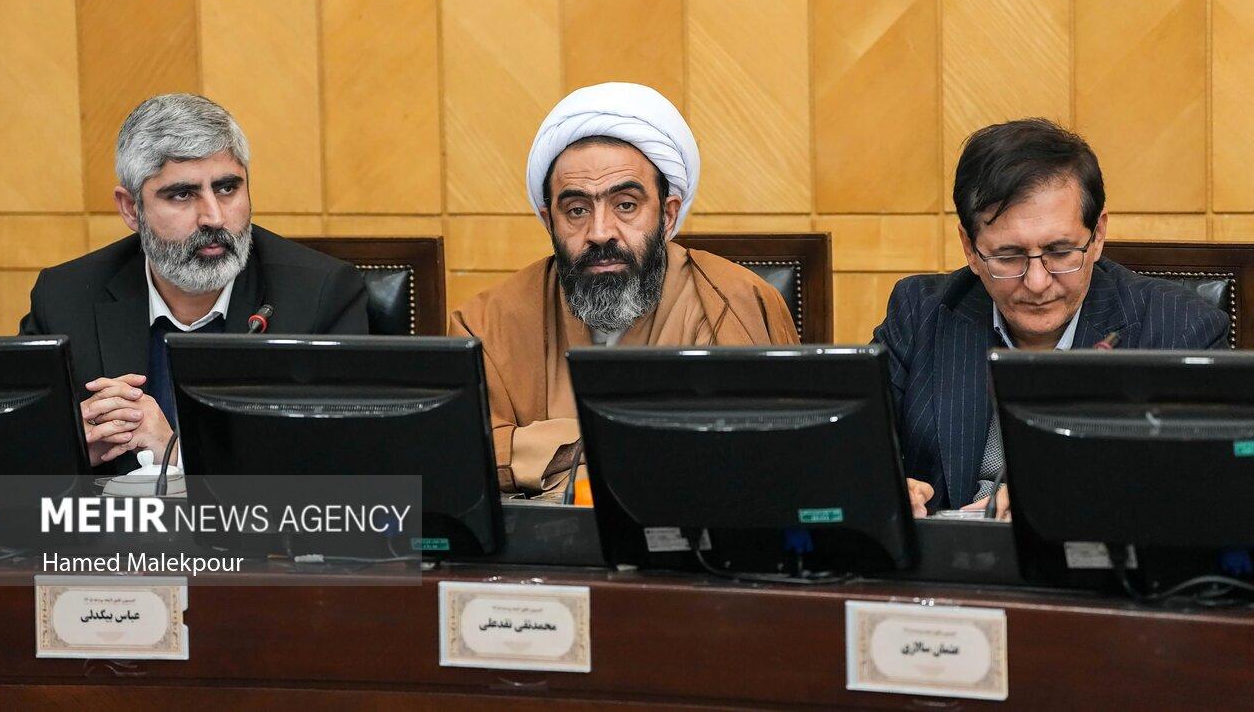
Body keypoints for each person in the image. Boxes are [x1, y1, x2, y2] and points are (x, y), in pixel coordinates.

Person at [449, 82, 802, 497]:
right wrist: (640, 443)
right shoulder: (486, 323)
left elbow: (753, 466)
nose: (600, 232)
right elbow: (456, 461)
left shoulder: (734, 304)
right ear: (549, 222)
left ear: (667, 216)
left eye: (626, 205)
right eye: (576, 210)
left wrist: (541, 452)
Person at [875, 118, 1228, 518]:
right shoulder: (920, 313)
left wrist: (1062, 498)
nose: (1037, 282)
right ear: (970, 249)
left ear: (1097, 236)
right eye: (1008, 256)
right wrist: (880, 488)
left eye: (1060, 252)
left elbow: (1206, 493)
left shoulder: (1180, 329)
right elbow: (855, 450)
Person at [20, 93, 368, 473]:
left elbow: (343, 469)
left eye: (227, 188)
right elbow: (10, 460)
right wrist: (66, 449)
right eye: (183, 194)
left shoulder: (319, 296)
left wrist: (175, 453)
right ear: (131, 209)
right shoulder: (65, 298)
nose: (213, 217)